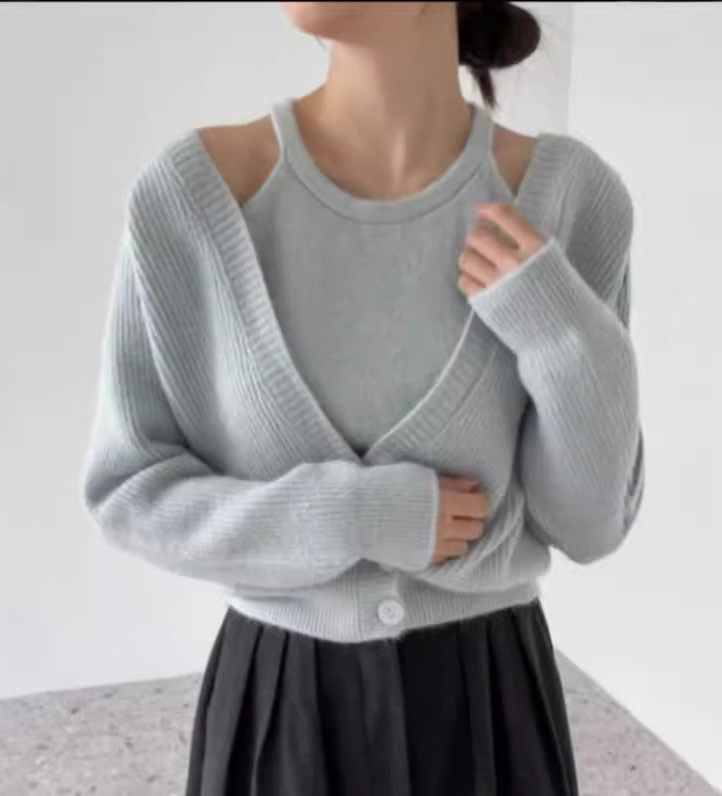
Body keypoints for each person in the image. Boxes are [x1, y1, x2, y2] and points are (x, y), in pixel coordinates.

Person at [79, 2, 645, 794]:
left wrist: (564, 335)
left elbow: (587, 524)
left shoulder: (574, 198)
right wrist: (353, 516)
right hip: (279, 712)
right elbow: (129, 492)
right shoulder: (190, 200)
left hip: (491, 711)